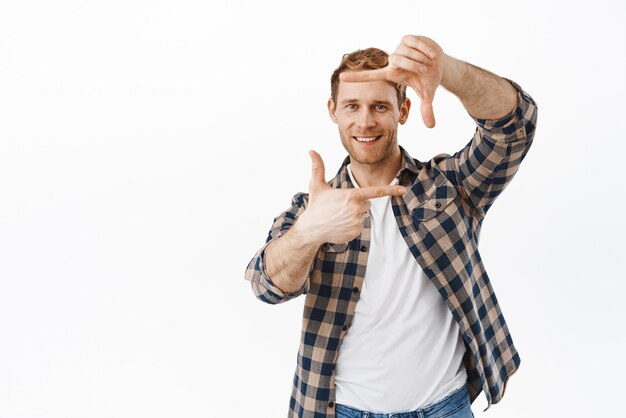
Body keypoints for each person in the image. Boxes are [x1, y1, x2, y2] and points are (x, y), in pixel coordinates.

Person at [245, 34, 537, 418]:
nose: (365, 121)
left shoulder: (450, 187)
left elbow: (515, 126)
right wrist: (309, 232)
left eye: (380, 105)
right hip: (342, 410)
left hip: (444, 407)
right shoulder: (313, 207)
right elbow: (265, 285)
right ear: (334, 110)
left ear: (403, 110)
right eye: (352, 106)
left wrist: (446, 70)